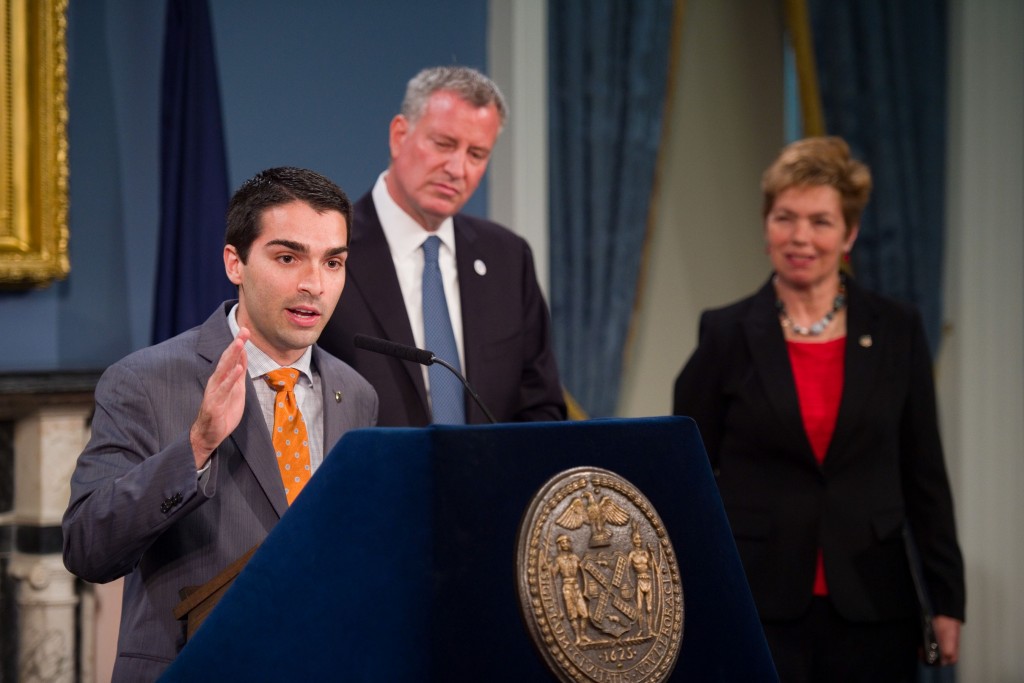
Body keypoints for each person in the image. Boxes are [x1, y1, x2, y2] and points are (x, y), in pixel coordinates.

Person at [62, 167, 379, 682]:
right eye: (287, 257)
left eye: (333, 262)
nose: (314, 284)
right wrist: (197, 445)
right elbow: (87, 550)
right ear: (235, 262)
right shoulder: (143, 381)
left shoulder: (356, 394)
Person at [672, 137, 964, 682]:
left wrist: (948, 598)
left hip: (875, 600)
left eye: (821, 221)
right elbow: (687, 477)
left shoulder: (897, 329)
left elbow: (925, 474)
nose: (801, 237)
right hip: (757, 597)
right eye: (786, 217)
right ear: (766, 226)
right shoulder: (725, 332)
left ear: (849, 233)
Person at [318, 66, 566, 425]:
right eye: (444, 144)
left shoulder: (509, 259)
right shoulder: (331, 249)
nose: (457, 168)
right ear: (399, 135)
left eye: (476, 154)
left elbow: (540, 406)